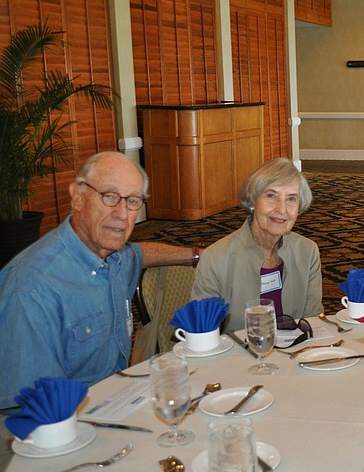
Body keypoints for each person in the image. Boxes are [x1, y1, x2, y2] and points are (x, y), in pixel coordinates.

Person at [0, 152, 198, 409]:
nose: (122, 214)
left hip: (117, 401)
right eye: (109, 197)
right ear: (77, 197)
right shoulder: (32, 290)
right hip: (63, 423)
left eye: (133, 201)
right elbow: (31, 407)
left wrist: (196, 255)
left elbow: (140, 253)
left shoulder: (115, 256)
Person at [192, 158, 323, 331]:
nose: (281, 209)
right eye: (271, 196)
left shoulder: (307, 251)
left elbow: (312, 321)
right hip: (236, 355)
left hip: (295, 352)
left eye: (291, 199)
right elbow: (203, 333)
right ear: (253, 200)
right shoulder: (216, 258)